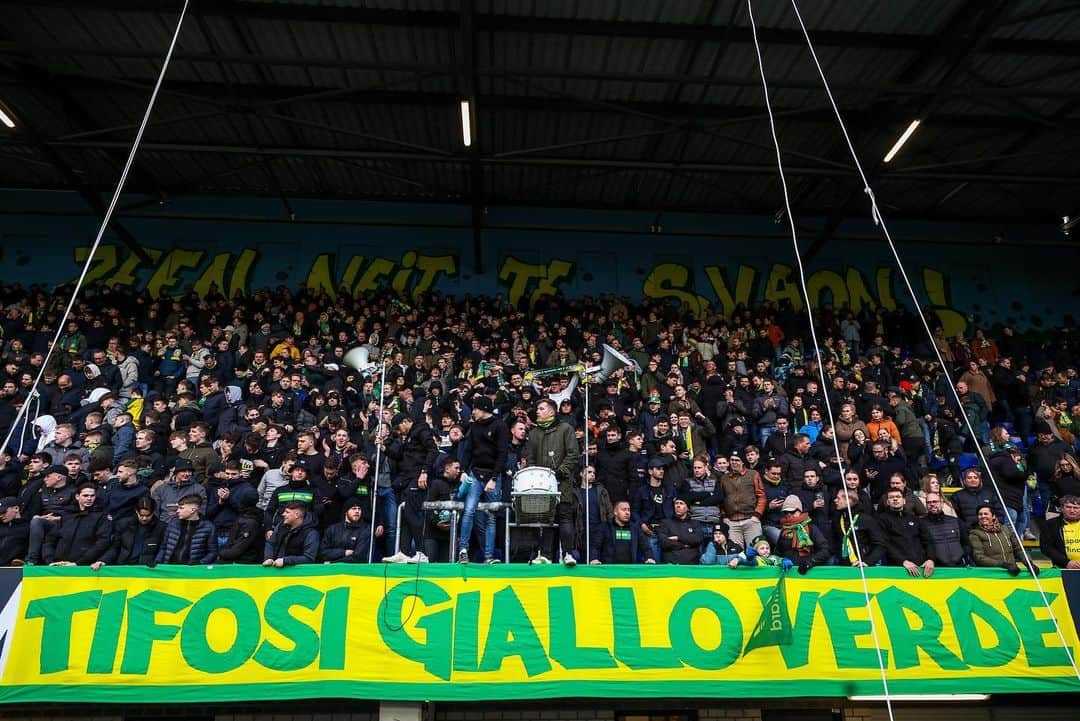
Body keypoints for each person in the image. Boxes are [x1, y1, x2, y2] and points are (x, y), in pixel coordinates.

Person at [524, 398, 581, 566]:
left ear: (551, 411)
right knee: (546, 518)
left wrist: (561, 471)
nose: (537, 411)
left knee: (564, 517)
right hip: (541, 484)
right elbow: (530, 457)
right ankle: (546, 555)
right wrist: (536, 476)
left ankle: (568, 554)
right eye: (537, 409)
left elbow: (573, 453)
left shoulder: (566, 429)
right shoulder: (534, 433)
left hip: (562, 481)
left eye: (541, 409)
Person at [459, 396, 507, 563]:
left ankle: (488, 556)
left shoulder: (499, 425)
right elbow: (468, 450)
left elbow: (502, 453)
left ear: (484, 409)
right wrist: (463, 471)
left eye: (476, 409)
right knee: (469, 510)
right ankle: (463, 550)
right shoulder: (474, 426)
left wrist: (494, 478)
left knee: (491, 516)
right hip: (475, 473)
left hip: (492, 475)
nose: (473, 412)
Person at [385, 412, 437, 563]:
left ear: (406, 421)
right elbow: (400, 455)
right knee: (406, 516)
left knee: (411, 512)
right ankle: (404, 551)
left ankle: (422, 552)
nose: (399, 431)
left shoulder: (421, 430)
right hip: (408, 479)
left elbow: (433, 450)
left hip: (418, 477)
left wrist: (425, 472)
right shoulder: (407, 437)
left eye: (399, 427)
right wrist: (384, 448)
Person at [22, 464, 75, 565]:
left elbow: (76, 513)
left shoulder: (73, 491)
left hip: (64, 524)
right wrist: (36, 516)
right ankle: (30, 559)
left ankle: (32, 559)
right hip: (44, 521)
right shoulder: (42, 490)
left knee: (37, 522)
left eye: (48, 476)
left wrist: (59, 518)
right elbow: (34, 510)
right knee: (34, 521)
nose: (45, 479)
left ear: (59, 477)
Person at [878, 488, 934, 577]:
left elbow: (928, 540)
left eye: (898, 497)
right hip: (897, 568)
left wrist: (930, 559)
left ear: (904, 501)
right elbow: (885, 544)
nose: (895, 499)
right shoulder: (881, 519)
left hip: (922, 567)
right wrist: (903, 561)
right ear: (888, 502)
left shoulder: (914, 519)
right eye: (891, 497)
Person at [969, 504, 1039, 576]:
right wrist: (1003, 565)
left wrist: (1029, 564)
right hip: (991, 574)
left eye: (986, 514)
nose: (983, 516)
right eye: (980, 514)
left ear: (993, 516)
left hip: (1012, 573)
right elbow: (979, 557)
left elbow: (1018, 549)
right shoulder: (975, 533)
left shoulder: (1005, 529)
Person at [154, 494, 217, 566]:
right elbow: (164, 547)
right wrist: (157, 561)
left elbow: (213, 552)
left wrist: (200, 563)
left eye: (181, 508)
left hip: (192, 572)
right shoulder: (172, 523)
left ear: (193, 510)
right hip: (171, 568)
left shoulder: (208, 527)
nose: (177, 511)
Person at [720, 452, 766, 549]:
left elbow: (761, 496)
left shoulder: (753, 474)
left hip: (750, 519)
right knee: (735, 553)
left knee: (755, 551)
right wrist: (724, 516)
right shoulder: (724, 478)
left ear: (742, 462)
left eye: (737, 460)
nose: (734, 462)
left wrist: (757, 515)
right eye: (732, 460)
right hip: (732, 522)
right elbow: (721, 498)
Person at [775, 494, 830, 573]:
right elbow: (777, 553)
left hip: (807, 574)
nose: (789, 514)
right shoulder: (784, 530)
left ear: (800, 511)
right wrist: (782, 560)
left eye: (792, 511)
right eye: (786, 512)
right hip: (789, 574)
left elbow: (825, 550)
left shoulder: (811, 528)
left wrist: (810, 563)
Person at [832, 488, 885, 567]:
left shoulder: (866, 519)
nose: (835, 500)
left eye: (838, 498)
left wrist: (867, 562)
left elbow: (880, 544)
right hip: (844, 566)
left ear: (848, 501)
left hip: (863, 566)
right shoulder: (838, 518)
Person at [917, 492, 971, 568]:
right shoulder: (920, 523)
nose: (932, 504)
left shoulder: (956, 521)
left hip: (959, 566)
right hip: (935, 569)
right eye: (929, 502)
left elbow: (966, 544)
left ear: (942, 503)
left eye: (935, 501)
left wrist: (960, 554)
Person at [107, 496, 164, 565]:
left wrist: (157, 561)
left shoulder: (161, 527)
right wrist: (103, 560)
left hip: (147, 568)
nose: (144, 518)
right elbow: (115, 547)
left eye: (148, 515)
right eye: (141, 515)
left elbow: (162, 549)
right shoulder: (123, 524)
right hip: (124, 565)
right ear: (136, 512)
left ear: (153, 513)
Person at [263, 501, 319, 567]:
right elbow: (270, 543)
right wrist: (269, 557)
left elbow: (309, 558)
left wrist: (285, 561)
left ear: (296, 515)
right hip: (276, 570)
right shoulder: (281, 526)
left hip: (298, 574)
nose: (283, 514)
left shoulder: (311, 533)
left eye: (287, 512)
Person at [597, 499, 653, 564]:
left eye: (628, 510)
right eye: (623, 510)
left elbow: (646, 547)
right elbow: (595, 546)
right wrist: (594, 558)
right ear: (615, 512)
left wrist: (650, 558)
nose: (627, 512)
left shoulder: (635, 528)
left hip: (629, 570)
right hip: (610, 570)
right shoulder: (605, 527)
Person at [1039, 493, 1080, 569]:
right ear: (1061, 508)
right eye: (1068, 507)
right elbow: (1046, 547)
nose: (1072, 510)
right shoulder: (1050, 524)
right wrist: (1066, 562)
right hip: (1062, 568)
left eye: (1076, 508)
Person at [658, 496, 701, 565]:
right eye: (676, 503)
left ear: (687, 508)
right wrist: (684, 545)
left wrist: (678, 538)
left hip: (691, 563)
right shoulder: (665, 523)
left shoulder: (695, 523)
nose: (678, 506)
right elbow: (663, 542)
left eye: (681, 503)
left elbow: (697, 539)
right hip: (671, 564)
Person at [0, 496, 29, 565]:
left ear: (16, 508)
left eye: (3, 512)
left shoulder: (28, 527)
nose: (0, 516)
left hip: (14, 568)